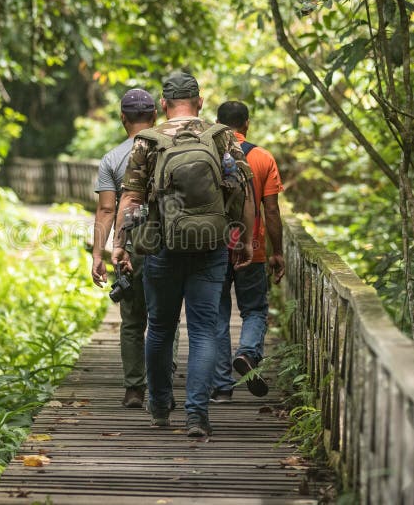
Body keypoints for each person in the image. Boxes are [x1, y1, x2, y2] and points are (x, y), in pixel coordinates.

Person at [112, 72, 255, 438]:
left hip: (161, 245)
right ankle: (197, 415)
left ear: (163, 104)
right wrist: (243, 240)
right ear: (200, 102)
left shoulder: (147, 141)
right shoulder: (220, 136)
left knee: (159, 328)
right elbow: (242, 189)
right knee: (205, 329)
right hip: (211, 245)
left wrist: (120, 244)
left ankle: (160, 407)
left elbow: (130, 198)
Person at [91, 88, 179, 409]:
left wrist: (98, 253)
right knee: (165, 317)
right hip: (169, 243)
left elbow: (106, 210)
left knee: (131, 319)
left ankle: (134, 388)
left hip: (129, 245)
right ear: (155, 116)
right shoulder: (170, 149)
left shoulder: (112, 159)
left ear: (122, 119)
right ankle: (164, 382)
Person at [210, 100, 285, 403]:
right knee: (254, 309)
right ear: (247, 124)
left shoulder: (208, 154)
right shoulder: (263, 157)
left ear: (217, 123)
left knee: (217, 315)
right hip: (252, 248)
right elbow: (272, 209)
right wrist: (276, 251)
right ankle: (248, 353)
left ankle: (222, 387)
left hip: (214, 247)